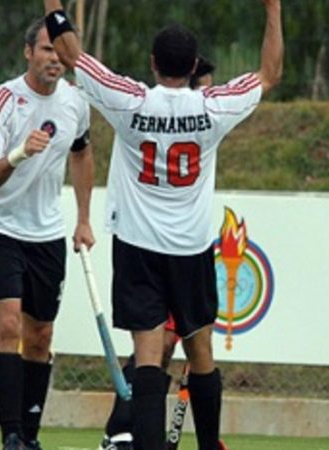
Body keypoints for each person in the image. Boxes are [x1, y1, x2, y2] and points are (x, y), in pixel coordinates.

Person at [41, 1, 283, 448]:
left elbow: (71, 53)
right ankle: (209, 444)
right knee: (200, 351)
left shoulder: (130, 100)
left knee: (149, 356)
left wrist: (54, 6)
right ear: (193, 67)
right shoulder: (213, 107)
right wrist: (273, 9)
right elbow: (269, 74)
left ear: (153, 63)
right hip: (190, 247)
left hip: (138, 245)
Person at [0, 17, 95, 450]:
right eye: (45, 50)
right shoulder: (2, 102)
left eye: (60, 52)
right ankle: (10, 436)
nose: (54, 59)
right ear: (28, 53)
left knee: (40, 335)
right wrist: (19, 153)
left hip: (46, 233)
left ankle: (29, 436)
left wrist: (83, 218)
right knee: (8, 325)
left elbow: (82, 153)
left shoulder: (75, 102)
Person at [97, 57, 218, 450]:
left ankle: (127, 430)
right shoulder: (182, 113)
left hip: (179, 247)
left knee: (180, 347)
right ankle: (119, 430)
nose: (207, 93)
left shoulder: (198, 118)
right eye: (202, 86)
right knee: (156, 347)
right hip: (158, 246)